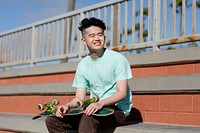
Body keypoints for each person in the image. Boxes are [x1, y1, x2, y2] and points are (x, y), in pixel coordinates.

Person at [45, 17, 133, 133]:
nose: (97, 38)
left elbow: (121, 93)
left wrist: (100, 103)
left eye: (100, 35)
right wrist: (67, 105)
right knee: (52, 120)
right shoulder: (83, 64)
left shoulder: (117, 59)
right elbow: (79, 98)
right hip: (94, 108)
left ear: (104, 37)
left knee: (88, 119)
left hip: (117, 110)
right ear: (84, 41)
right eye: (92, 36)